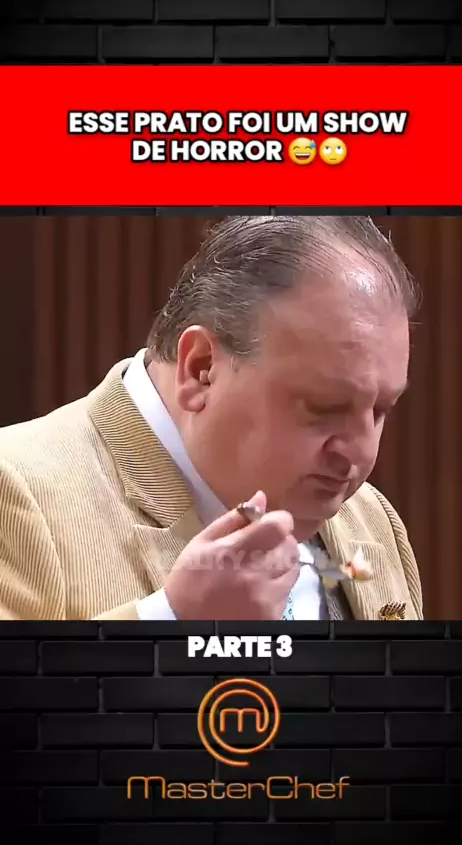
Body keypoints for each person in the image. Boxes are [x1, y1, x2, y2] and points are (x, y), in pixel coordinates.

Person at [0, 215, 423, 621]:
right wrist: (170, 622)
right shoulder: (17, 491)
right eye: (324, 406)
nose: (361, 453)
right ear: (201, 369)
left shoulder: (371, 519)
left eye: (380, 411)